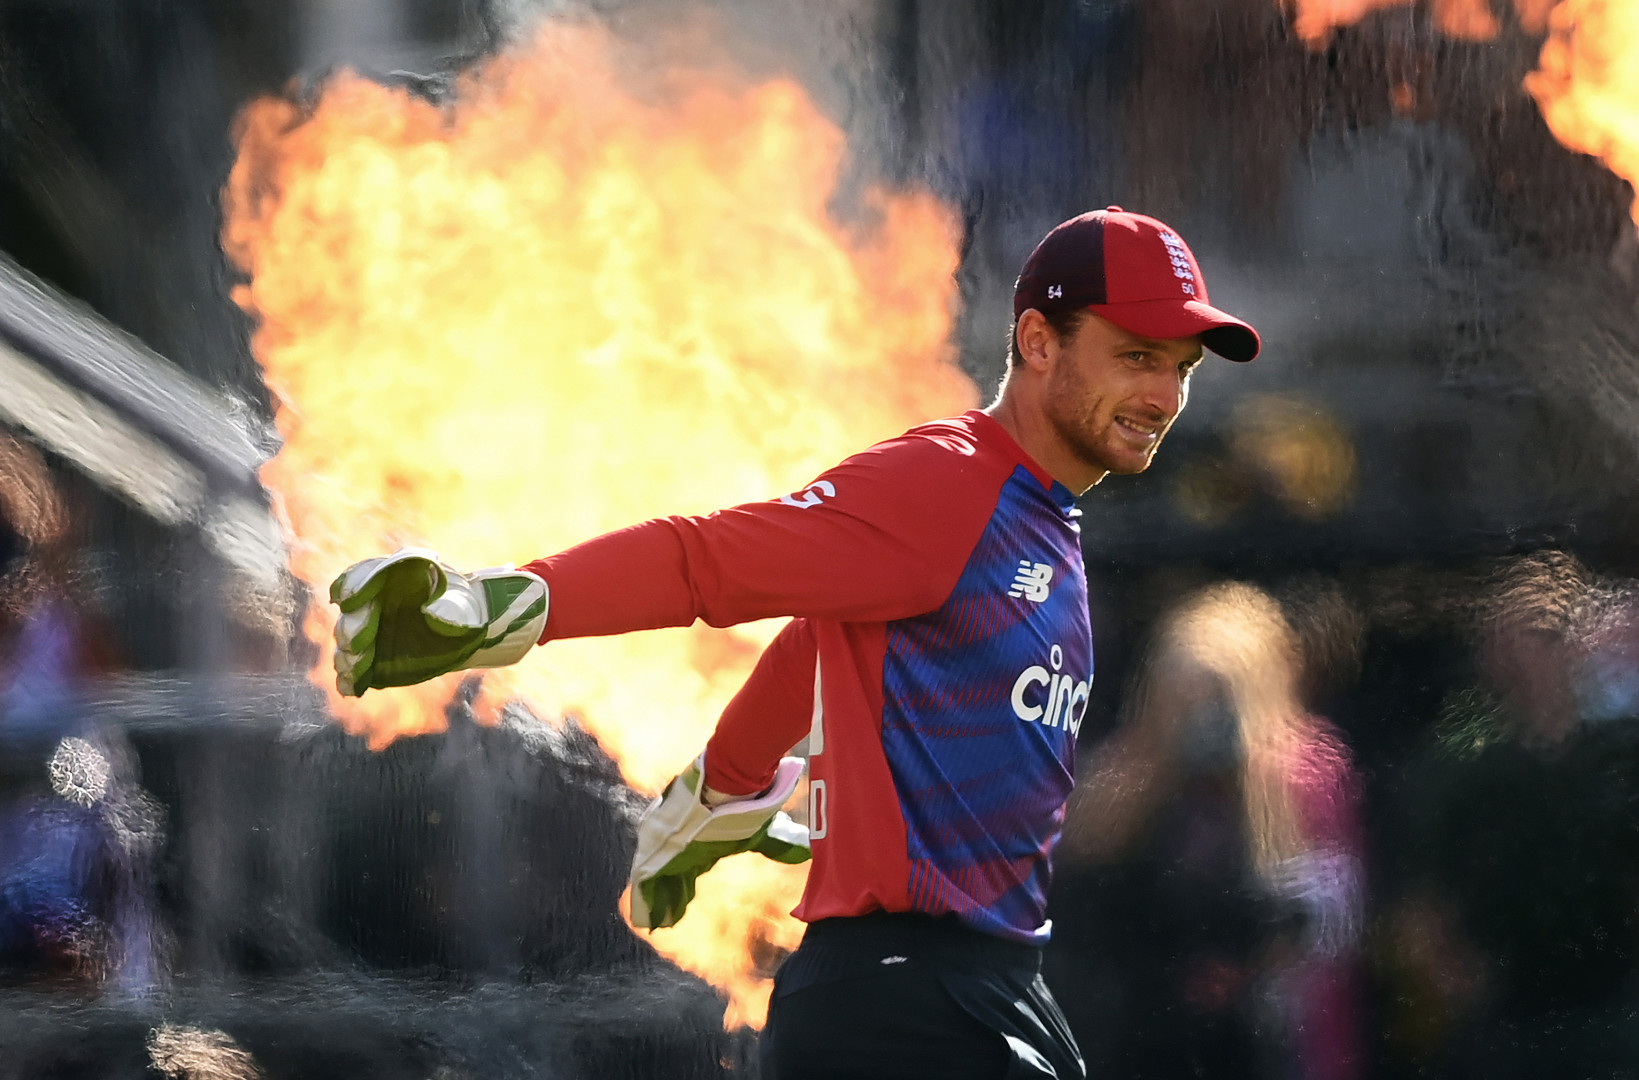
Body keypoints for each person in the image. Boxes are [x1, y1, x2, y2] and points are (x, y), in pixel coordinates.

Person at [329, 207, 1260, 1078]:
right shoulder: (947, 481)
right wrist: (505, 606)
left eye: (1180, 368)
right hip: (905, 1002)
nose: (1161, 393)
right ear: (1036, 341)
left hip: (984, 985)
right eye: (1136, 354)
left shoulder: (1041, 518)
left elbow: (821, 643)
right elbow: (709, 560)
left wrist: (720, 789)